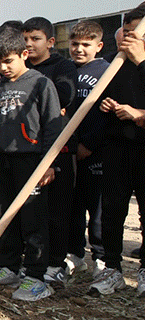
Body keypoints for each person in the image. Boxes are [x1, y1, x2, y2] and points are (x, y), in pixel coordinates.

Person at [0, 26, 61, 301]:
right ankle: (8, 266)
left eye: (8, 61)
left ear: (24, 54)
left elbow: (53, 127)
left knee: (33, 218)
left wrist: (49, 163)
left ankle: (36, 277)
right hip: (2, 162)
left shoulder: (40, 84)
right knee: (5, 216)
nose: (3, 68)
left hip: (32, 162)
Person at [91, 2, 145, 297]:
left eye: (135, 32)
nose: (128, 38)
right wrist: (108, 107)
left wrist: (137, 113)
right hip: (115, 147)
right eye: (126, 30)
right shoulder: (112, 63)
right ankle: (111, 268)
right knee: (111, 211)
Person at [23, 17, 78, 287]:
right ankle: (33, 260)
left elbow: (64, 97)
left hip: (58, 149)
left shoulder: (63, 67)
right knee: (32, 211)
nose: (29, 44)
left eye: (36, 39)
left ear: (51, 41)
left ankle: (56, 262)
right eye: (26, 39)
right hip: (26, 149)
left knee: (57, 210)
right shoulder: (19, 68)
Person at [66, 20, 109, 278]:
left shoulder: (106, 70)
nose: (79, 49)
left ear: (99, 45)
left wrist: (89, 144)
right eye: (74, 44)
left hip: (95, 152)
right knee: (72, 206)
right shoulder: (66, 70)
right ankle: (75, 254)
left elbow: (106, 116)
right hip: (68, 150)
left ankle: (101, 258)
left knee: (98, 211)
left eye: (85, 44)